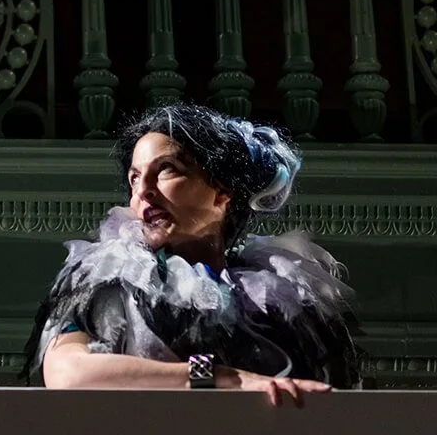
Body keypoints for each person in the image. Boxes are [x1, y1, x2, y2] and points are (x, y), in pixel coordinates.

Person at [31, 102, 359, 402]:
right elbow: (68, 372)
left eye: (166, 170)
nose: (143, 191)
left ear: (222, 191)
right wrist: (220, 376)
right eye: (134, 178)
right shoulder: (109, 279)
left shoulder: (282, 300)